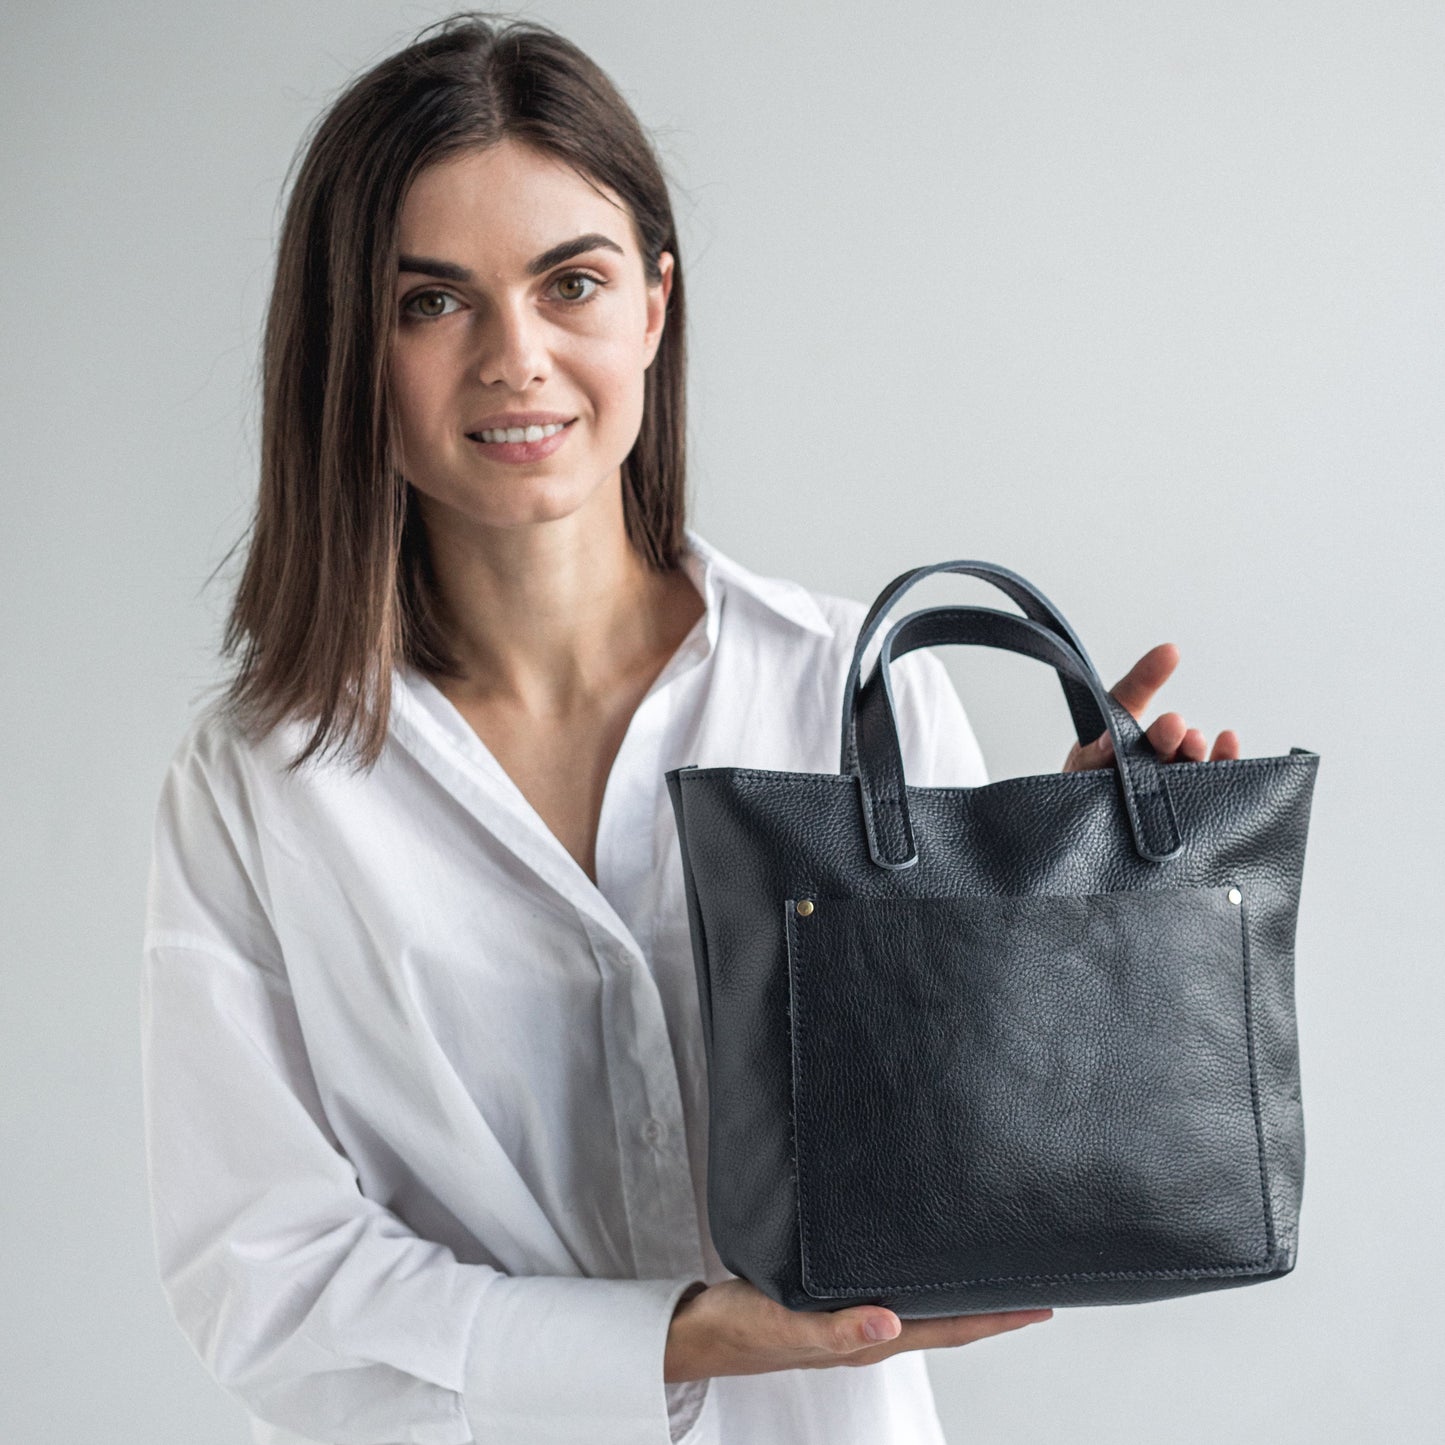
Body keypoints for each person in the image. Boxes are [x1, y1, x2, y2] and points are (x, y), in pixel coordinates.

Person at [139, 12, 1241, 1445]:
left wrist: (1060, 921)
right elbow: (263, 1281)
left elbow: (972, 1172)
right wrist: (670, 1339)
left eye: (570, 282)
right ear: (352, 346)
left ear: (652, 307)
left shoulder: (857, 688)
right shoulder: (259, 789)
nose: (514, 356)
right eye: (431, 302)